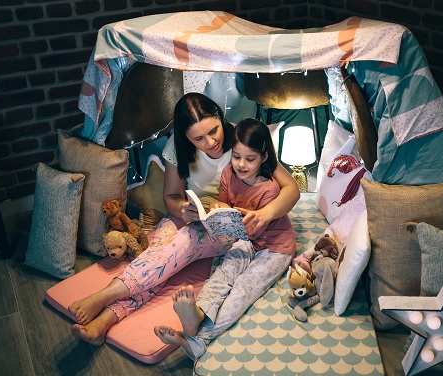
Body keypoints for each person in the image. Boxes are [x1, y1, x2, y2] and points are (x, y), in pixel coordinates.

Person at [69, 93, 300, 345]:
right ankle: (106, 320)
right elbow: (171, 196)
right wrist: (181, 209)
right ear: (186, 137)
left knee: (184, 242)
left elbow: (292, 189)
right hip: (191, 214)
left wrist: (266, 213)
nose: (210, 142)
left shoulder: (241, 141)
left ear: (220, 118)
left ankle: (105, 295)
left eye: (214, 131)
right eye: (198, 138)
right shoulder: (177, 147)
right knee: (160, 255)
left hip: (222, 223)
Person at [154, 118, 296, 360]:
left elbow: (258, 227)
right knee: (223, 275)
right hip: (245, 238)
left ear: (263, 157)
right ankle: (198, 313)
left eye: (249, 159)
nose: (241, 164)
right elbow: (226, 204)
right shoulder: (229, 173)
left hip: (274, 246)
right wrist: (218, 209)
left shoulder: (269, 189)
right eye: (236, 156)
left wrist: (237, 221)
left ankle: (198, 340)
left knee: (242, 289)